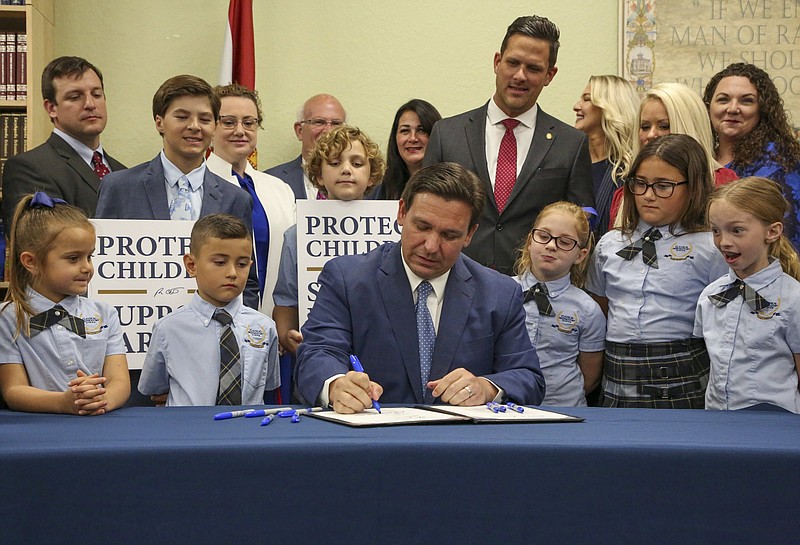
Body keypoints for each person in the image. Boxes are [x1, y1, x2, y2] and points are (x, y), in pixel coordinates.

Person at [295, 162, 545, 413]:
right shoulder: (347, 279)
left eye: (449, 235)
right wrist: (336, 385)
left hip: (463, 444)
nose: (431, 246)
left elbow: (528, 377)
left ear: (470, 234)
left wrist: (487, 387)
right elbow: (316, 355)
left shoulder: (499, 293)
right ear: (402, 212)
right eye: (422, 227)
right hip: (372, 442)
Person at [424, 15, 593, 275]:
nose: (520, 76)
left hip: (532, 294)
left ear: (550, 75)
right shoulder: (447, 134)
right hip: (453, 281)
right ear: (497, 62)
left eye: (534, 68)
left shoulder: (571, 144)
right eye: (513, 63)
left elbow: (581, 226)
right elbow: (426, 211)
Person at [586, 134, 727, 408]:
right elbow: (598, 309)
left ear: (693, 187)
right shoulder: (610, 244)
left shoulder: (710, 247)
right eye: (640, 184)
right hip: (618, 374)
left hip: (683, 375)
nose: (648, 196)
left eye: (664, 186)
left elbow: (721, 322)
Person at [93, 74, 258, 309]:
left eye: (205, 119)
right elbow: (101, 271)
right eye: (182, 116)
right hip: (135, 330)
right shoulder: (119, 188)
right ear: (159, 122)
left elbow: (247, 281)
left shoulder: (236, 198)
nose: (194, 126)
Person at [0, 192, 130, 414]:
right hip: (41, 430)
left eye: (90, 256)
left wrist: (99, 400)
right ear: (30, 261)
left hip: (99, 421)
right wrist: (63, 402)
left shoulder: (105, 314)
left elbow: (120, 382)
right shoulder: (9, 318)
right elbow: (13, 390)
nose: (87, 267)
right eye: (73, 258)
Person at [138, 214, 279, 406]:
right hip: (189, 431)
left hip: (248, 430)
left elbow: (268, 385)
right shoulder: (168, 329)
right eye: (220, 262)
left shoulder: (265, 327)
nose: (232, 273)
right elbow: (154, 388)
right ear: (191, 265)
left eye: (242, 264)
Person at [272, 125, 384, 357]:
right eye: (334, 163)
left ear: (371, 174)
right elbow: (286, 300)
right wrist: (286, 334)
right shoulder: (297, 235)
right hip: (319, 350)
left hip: (381, 350)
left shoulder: (395, 233)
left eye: (357, 163)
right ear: (319, 176)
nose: (345, 170)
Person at [696, 177, 800, 413]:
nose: (724, 242)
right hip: (718, 419)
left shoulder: (793, 298)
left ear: (772, 231)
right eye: (715, 231)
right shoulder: (710, 296)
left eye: (737, 230)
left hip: (775, 423)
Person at [1, 56, 126, 230]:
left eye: (97, 94)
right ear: (51, 108)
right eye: (75, 97)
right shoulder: (28, 168)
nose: (90, 104)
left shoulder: (123, 173)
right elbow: (39, 240)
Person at [206, 83, 296, 316]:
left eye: (249, 123)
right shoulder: (197, 187)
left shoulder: (280, 189)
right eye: (228, 122)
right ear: (211, 127)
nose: (240, 130)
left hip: (276, 320)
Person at [513, 201, 605, 406]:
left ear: (580, 255)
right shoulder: (502, 292)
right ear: (530, 241)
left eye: (564, 242)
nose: (551, 245)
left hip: (565, 410)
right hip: (508, 407)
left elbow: (590, 377)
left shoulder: (588, 309)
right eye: (544, 236)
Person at [609, 82, 738, 227]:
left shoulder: (723, 184)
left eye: (664, 126)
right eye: (645, 127)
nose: (651, 135)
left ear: (688, 127)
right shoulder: (625, 195)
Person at [703, 63, 800, 249]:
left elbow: (788, 237)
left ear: (762, 110)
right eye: (723, 100)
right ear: (708, 107)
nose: (732, 109)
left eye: (746, 101)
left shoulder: (779, 161)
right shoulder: (700, 155)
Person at [572, 75, 639, 236]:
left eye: (586, 99)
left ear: (609, 107)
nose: (576, 106)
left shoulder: (630, 171)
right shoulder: (570, 162)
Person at [265, 93, 347, 200]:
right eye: (319, 122)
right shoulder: (271, 181)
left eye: (336, 123)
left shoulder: (368, 185)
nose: (328, 131)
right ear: (300, 131)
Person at [374, 99, 442, 200]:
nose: (413, 138)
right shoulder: (380, 191)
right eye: (405, 131)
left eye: (421, 130)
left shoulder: (454, 187)